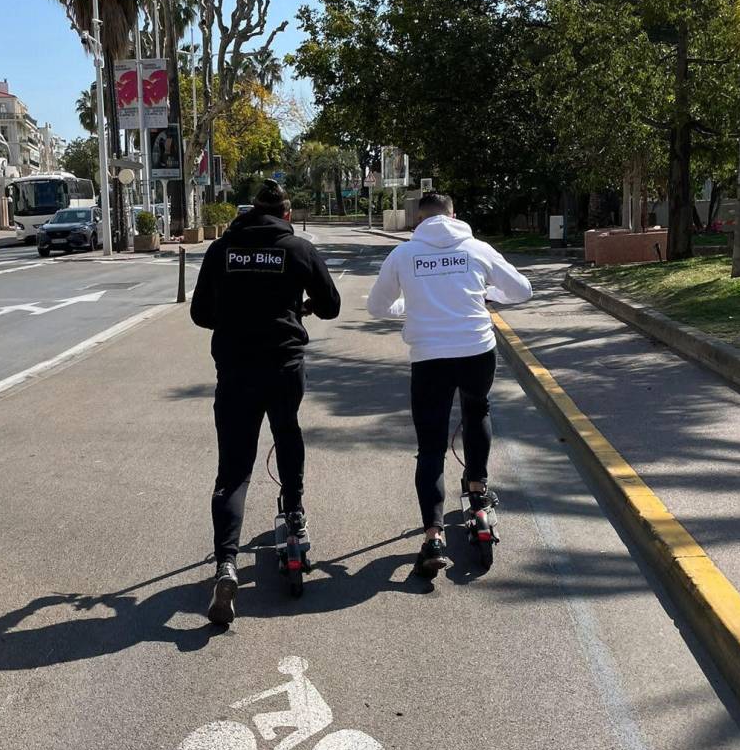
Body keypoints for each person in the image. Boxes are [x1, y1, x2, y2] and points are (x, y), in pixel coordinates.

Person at [190, 179, 341, 624]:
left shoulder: (224, 249)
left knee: (234, 468)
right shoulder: (298, 249)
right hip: (283, 365)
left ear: (251, 211)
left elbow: (201, 314)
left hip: (235, 367)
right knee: (287, 432)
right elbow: (330, 305)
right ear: (287, 214)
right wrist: (301, 307)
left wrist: (234, 314)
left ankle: (226, 564)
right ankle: (293, 513)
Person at [367, 191, 532, 577]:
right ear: (454, 214)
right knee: (477, 409)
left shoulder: (404, 255)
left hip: (429, 358)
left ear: (418, 220)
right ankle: (477, 490)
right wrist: (483, 293)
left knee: (430, 445)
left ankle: (433, 533)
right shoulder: (477, 249)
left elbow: (377, 307)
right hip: (477, 351)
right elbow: (522, 290)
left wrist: (412, 308)